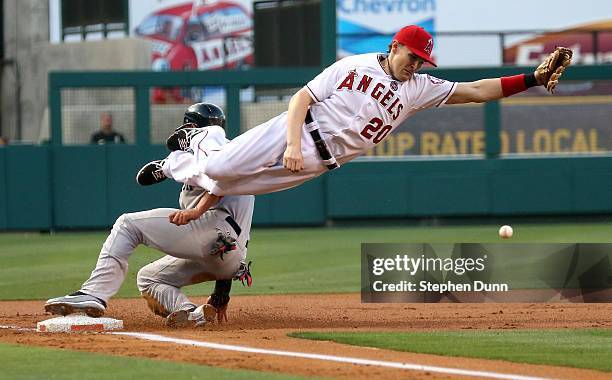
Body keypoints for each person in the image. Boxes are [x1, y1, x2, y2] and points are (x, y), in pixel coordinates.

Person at [137, 25, 572, 224]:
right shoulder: (355, 65)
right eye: (413, 56)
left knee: (230, 183)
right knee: (218, 166)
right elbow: (301, 97)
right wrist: (290, 143)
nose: (417, 64)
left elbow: (477, 91)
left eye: (423, 61)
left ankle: (178, 165)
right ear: (395, 45)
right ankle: (197, 139)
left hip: (321, 163)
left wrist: (532, 78)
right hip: (297, 133)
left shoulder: (418, 88)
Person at [46, 104, 254, 327]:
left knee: (127, 225)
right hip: (229, 258)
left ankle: (93, 294)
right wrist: (222, 294)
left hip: (213, 232)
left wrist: (188, 199)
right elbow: (145, 176)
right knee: (149, 278)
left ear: (191, 127)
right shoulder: (225, 155)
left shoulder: (212, 155)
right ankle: (190, 313)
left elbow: (218, 186)